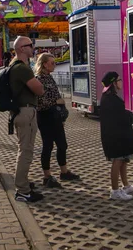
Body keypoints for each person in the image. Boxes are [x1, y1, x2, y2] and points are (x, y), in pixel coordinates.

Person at [34, 53, 80, 188]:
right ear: (44, 64)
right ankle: (47, 176)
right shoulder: (39, 79)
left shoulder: (49, 77)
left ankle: (64, 172)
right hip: (46, 116)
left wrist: (61, 112)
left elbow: (56, 96)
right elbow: (40, 101)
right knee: (48, 146)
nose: (54, 65)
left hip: (55, 116)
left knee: (62, 144)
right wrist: (56, 102)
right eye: (52, 63)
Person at [9, 36, 45, 203]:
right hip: (26, 112)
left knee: (23, 150)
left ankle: (23, 184)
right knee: (26, 151)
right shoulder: (22, 69)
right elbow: (39, 90)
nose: (33, 48)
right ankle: (22, 190)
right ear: (22, 48)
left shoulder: (13, 66)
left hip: (18, 112)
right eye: (30, 45)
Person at [99, 71, 133, 200]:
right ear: (113, 83)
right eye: (119, 80)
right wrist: (129, 115)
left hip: (120, 133)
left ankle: (125, 185)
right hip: (115, 135)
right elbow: (119, 116)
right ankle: (115, 190)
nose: (121, 82)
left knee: (124, 160)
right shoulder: (109, 98)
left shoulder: (111, 96)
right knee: (118, 160)